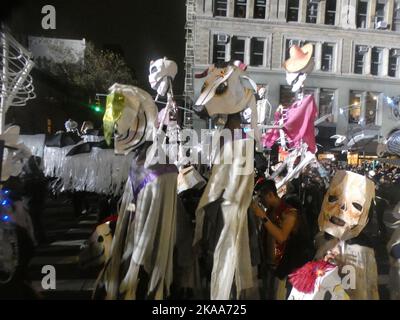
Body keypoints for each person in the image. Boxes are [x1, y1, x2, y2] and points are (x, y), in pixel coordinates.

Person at [251, 179, 313, 300]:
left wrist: (263, 217)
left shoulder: (290, 212)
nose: (260, 201)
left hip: (284, 269)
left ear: (270, 194)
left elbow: (281, 237)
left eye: (261, 197)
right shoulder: (269, 211)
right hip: (268, 266)